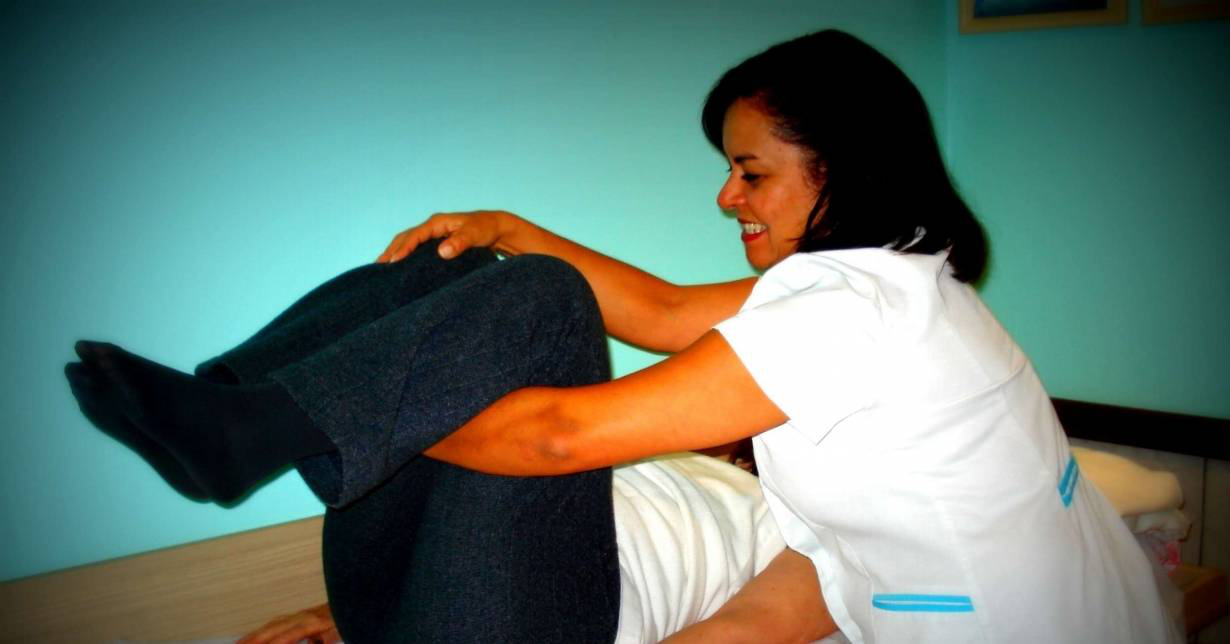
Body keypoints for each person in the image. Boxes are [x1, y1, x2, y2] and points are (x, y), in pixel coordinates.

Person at [66, 29, 1179, 643]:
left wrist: (366, 420)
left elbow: (555, 437)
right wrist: (506, 226)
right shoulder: (904, 296)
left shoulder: (861, 312)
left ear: (841, 165)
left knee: (539, 302)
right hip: (407, 607)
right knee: (476, 270)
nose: (727, 197)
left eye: (750, 172)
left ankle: (254, 423)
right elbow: (665, 313)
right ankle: (231, 405)